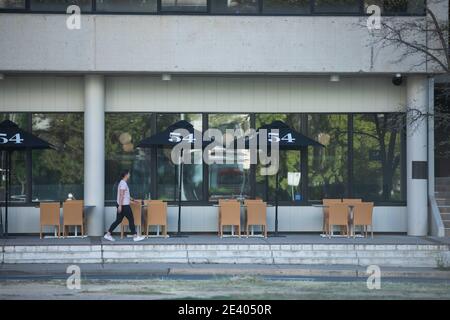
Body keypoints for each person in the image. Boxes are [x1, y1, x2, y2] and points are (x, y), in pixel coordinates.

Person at [104, 169, 145, 242]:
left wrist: (133, 200)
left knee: (118, 220)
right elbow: (121, 195)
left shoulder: (122, 183)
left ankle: (108, 234)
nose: (130, 175)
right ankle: (135, 236)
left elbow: (126, 195)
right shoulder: (123, 183)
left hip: (122, 205)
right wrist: (120, 206)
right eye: (129, 173)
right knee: (131, 219)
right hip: (124, 205)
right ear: (126, 175)